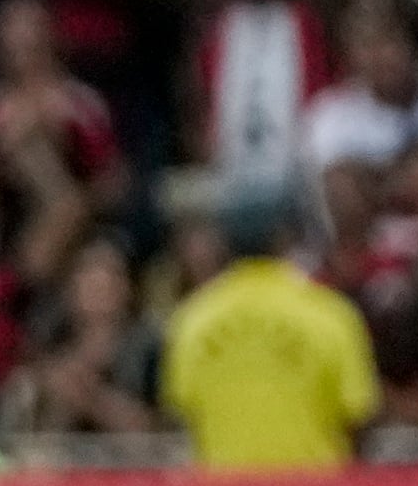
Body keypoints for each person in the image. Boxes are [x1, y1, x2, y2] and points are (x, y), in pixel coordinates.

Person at [159, 186, 381, 471]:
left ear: (224, 240)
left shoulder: (192, 319)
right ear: (285, 237)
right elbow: (359, 416)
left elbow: (181, 413)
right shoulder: (329, 314)